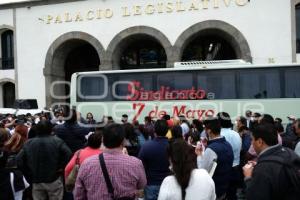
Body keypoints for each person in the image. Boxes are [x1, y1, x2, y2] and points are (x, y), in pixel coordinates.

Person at [74, 123, 146, 200]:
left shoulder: (87, 164)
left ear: (102, 140)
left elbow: (78, 194)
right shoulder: (135, 163)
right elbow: (142, 185)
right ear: (123, 141)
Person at [17, 121, 72, 200]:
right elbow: (69, 154)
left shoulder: (29, 143)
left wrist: (28, 172)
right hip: (54, 179)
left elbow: (19, 160)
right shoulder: (57, 141)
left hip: (36, 179)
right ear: (51, 129)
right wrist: (61, 167)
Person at [243, 123, 300, 200]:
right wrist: (259, 164)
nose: (251, 143)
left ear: (260, 142)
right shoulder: (289, 152)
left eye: (252, 139)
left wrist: (248, 177)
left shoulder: (263, 169)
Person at [196, 118, 233, 200]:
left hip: (213, 191)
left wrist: (199, 155)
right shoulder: (228, 145)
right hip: (224, 188)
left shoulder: (212, 149)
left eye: (205, 129)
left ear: (209, 131)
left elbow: (202, 173)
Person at [138, 120, 170, 200]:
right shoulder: (172, 146)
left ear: (154, 130)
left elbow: (140, 166)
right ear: (167, 130)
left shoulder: (146, 146)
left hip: (151, 184)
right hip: (169, 183)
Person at [217, 112, 241, 200]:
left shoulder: (220, 135)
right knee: (232, 194)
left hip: (224, 170)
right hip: (236, 168)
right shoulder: (236, 134)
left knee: (222, 195)